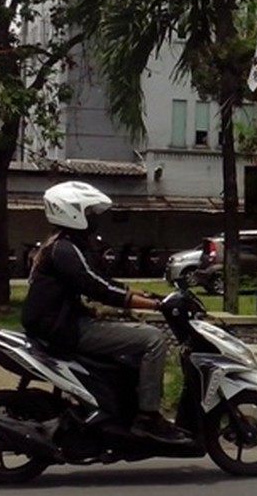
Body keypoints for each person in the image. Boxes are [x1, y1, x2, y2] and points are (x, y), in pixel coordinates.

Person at [21, 180, 186, 444]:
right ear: (70, 212)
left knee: (131, 341)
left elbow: (98, 280)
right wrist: (152, 304)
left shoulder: (62, 245)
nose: (93, 219)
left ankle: (120, 405)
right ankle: (148, 417)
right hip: (65, 329)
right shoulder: (65, 249)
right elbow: (96, 287)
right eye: (88, 213)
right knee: (153, 339)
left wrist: (137, 294)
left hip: (59, 324)